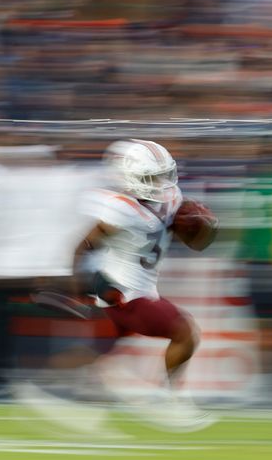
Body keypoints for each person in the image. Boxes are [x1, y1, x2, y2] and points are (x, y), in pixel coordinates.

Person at [25, 139, 219, 432]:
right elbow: (83, 247)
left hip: (142, 289)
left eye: (163, 175)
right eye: (152, 177)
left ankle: (44, 389)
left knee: (97, 350)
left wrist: (202, 228)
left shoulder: (170, 198)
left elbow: (195, 243)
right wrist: (82, 287)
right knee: (184, 330)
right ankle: (168, 400)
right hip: (123, 293)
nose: (161, 183)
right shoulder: (121, 209)